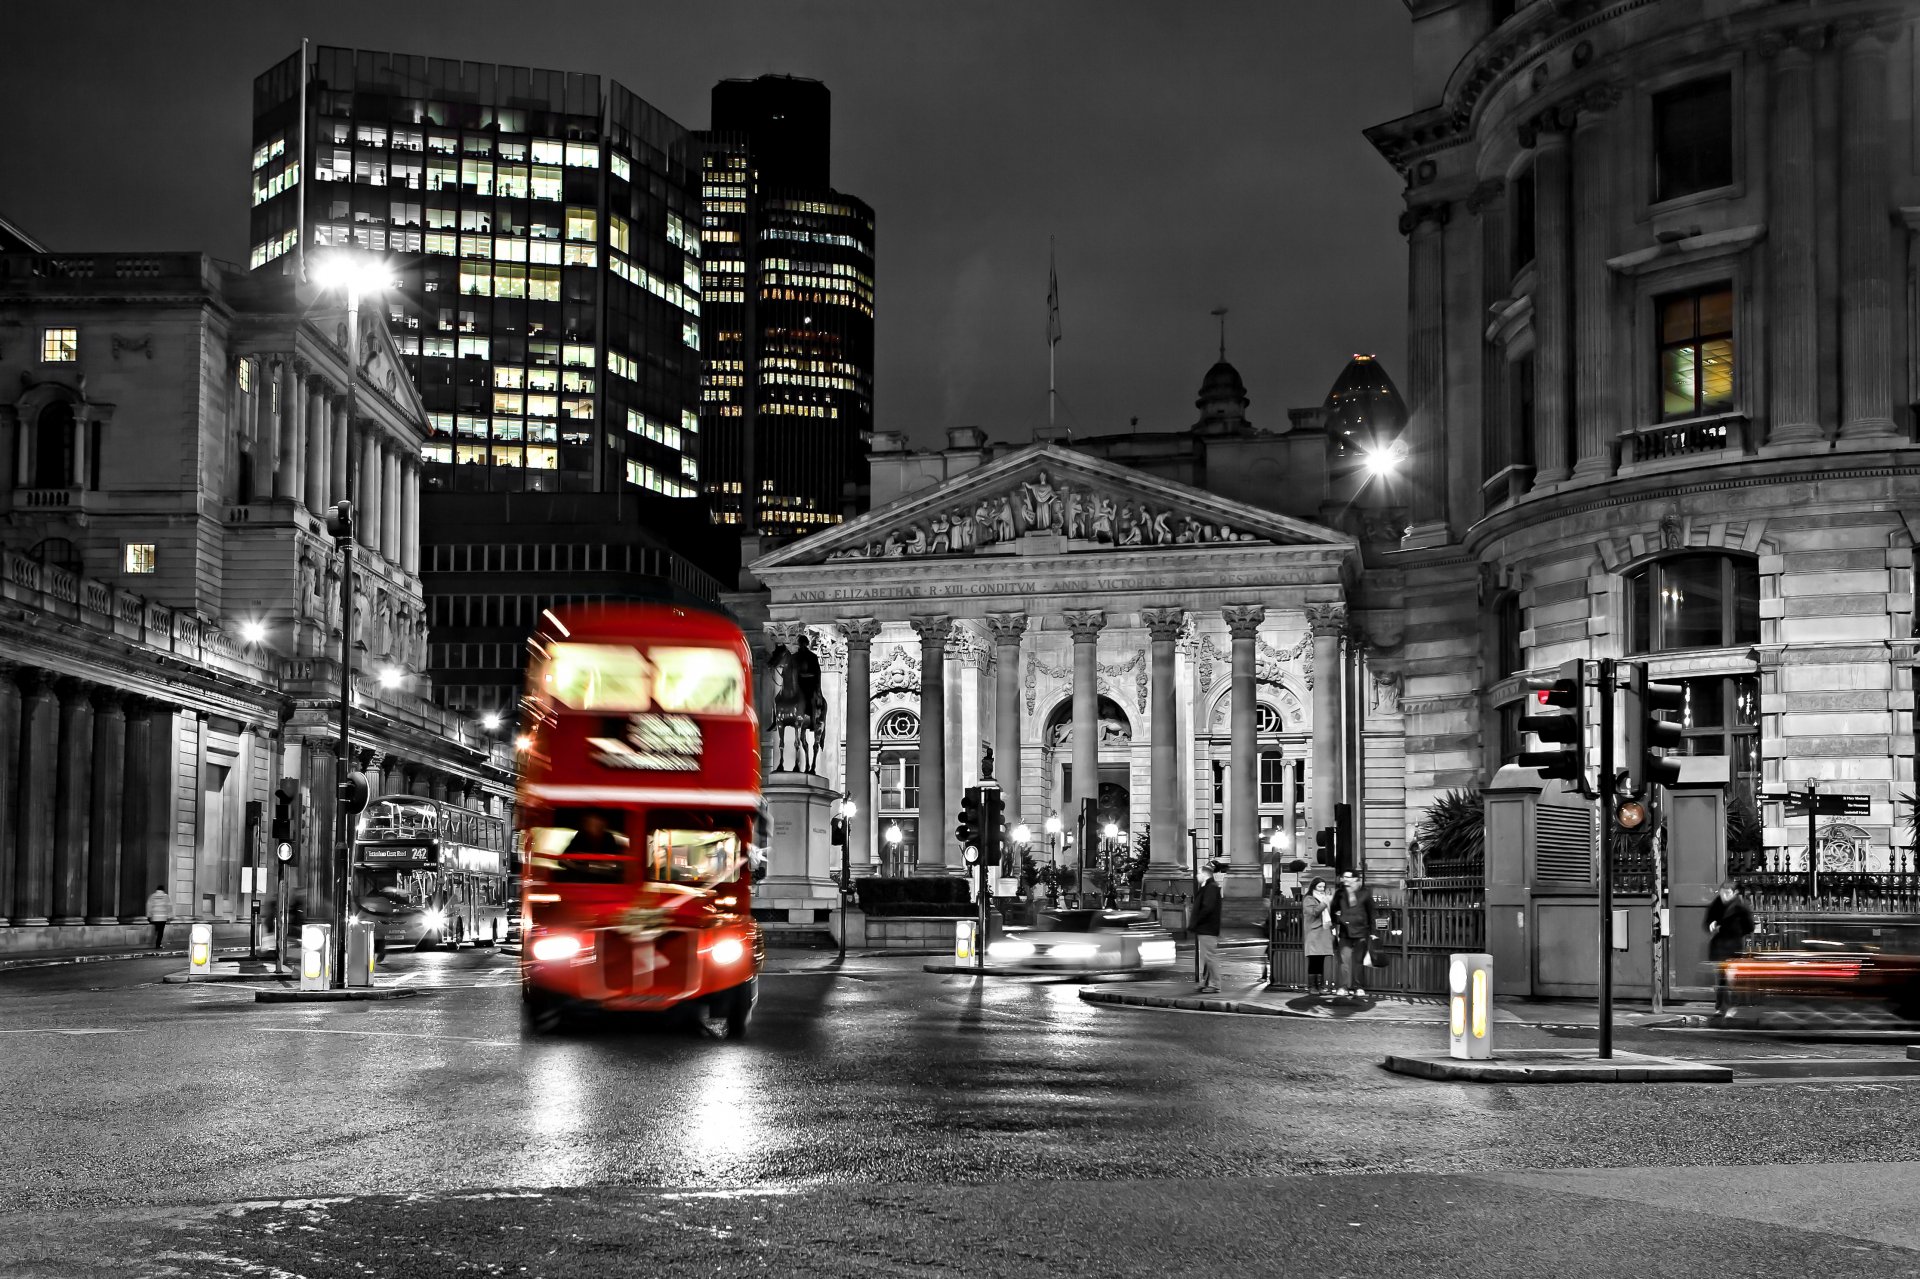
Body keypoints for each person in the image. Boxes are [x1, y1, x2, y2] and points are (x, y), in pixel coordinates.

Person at [1705, 878, 1755, 1014]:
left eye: (1727, 893)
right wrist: (1712, 925)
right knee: (1721, 979)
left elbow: (1750, 927)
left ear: (1734, 893)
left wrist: (1735, 931)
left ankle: (1728, 1007)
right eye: (1722, 892)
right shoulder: (1716, 904)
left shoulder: (1741, 907)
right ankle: (1721, 1007)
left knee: (1729, 979)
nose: (1724, 896)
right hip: (1719, 947)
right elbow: (1708, 921)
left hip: (1733, 947)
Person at [1332, 870, 1374, 998]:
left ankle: (1358, 987)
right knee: (1344, 961)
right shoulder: (1339, 893)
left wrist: (1373, 932)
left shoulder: (1364, 893)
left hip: (1361, 932)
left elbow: (1371, 913)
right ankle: (1343, 987)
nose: (1345, 879)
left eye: (1348, 877)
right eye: (1344, 876)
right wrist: (1338, 921)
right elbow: (1333, 910)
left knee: (1358, 961)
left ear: (1355, 879)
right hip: (1345, 932)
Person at [1191, 860, 1223, 994]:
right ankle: (1206, 981)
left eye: (1199, 873)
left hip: (1207, 927)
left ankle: (1215, 984)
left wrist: (1198, 921)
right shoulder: (1208, 887)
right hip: (1206, 928)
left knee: (1210, 956)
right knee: (1207, 957)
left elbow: (1207, 908)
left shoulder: (1211, 888)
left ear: (1205, 874)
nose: (1197, 876)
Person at [1302, 877, 1335, 994]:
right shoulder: (1309, 899)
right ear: (1314, 887)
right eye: (1319, 887)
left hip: (1324, 931)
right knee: (1314, 960)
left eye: (1323, 887)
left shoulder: (1323, 898)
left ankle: (1320, 986)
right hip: (1314, 933)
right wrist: (1325, 902)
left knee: (1321, 959)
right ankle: (1312, 986)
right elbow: (1314, 912)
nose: (1322, 889)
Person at [145, 884, 173, 953]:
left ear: (157, 889)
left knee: (155, 930)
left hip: (155, 917)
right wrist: (170, 916)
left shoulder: (152, 896)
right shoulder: (166, 896)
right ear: (163, 889)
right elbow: (169, 906)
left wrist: (148, 915)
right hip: (163, 918)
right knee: (160, 932)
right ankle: (158, 944)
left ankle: (151, 941)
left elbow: (149, 905)